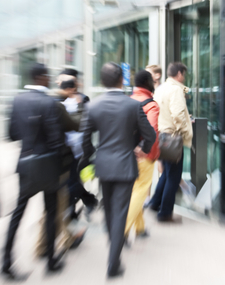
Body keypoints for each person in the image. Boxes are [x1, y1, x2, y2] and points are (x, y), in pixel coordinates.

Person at [79, 62, 156, 278]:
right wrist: (143, 149)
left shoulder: (92, 106)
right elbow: (150, 135)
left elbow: (85, 141)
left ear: (102, 82)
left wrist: (92, 157)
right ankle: (113, 264)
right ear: (121, 80)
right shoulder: (132, 105)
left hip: (103, 165)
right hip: (125, 165)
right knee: (120, 212)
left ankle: (114, 255)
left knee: (111, 211)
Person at [3, 63, 78, 279]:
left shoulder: (17, 100)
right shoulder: (49, 103)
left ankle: (6, 262)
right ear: (42, 77)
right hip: (48, 166)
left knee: (17, 214)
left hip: (25, 163)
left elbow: (11, 134)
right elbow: (56, 140)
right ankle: (51, 261)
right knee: (51, 211)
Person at [149, 62, 192, 222]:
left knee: (167, 173)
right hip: (172, 137)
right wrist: (186, 133)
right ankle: (165, 213)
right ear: (179, 74)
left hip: (161, 135)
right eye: (184, 74)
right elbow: (178, 114)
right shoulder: (175, 89)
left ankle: (155, 204)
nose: (184, 77)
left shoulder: (161, 89)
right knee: (174, 176)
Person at [57, 69, 98, 220]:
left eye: (62, 81)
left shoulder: (84, 100)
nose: (59, 84)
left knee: (72, 183)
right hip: (67, 149)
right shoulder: (59, 100)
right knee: (71, 182)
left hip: (80, 150)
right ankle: (88, 201)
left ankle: (72, 214)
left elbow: (88, 125)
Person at [124, 70, 160, 243]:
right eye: (152, 80)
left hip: (128, 153)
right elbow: (152, 131)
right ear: (147, 82)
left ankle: (139, 228)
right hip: (144, 156)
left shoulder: (128, 101)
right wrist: (146, 151)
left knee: (135, 189)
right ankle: (122, 229)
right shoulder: (151, 105)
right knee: (140, 191)